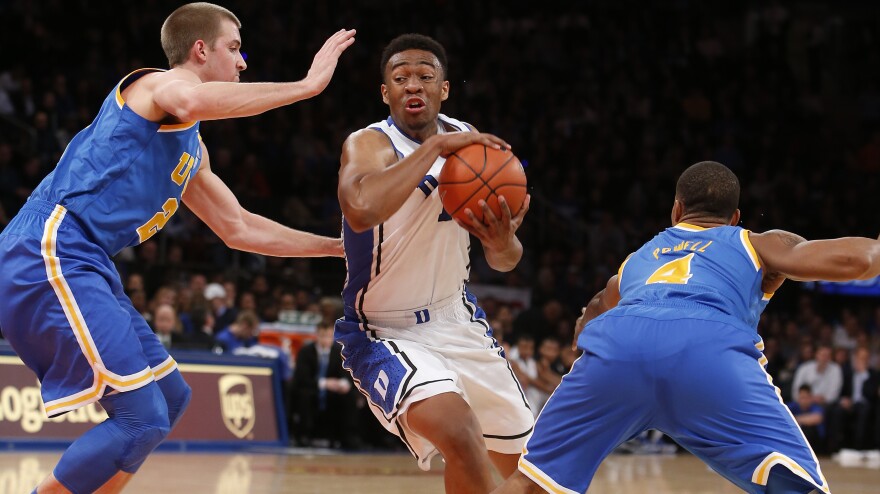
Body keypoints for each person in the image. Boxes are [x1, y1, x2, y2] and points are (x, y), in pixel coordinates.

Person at [0, 3, 355, 493]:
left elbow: (239, 228)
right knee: (140, 417)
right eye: (235, 49)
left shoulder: (191, 147)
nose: (242, 62)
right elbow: (187, 101)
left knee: (169, 398)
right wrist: (306, 88)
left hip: (88, 260)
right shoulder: (153, 86)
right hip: (51, 245)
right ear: (200, 49)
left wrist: (337, 248)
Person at [490, 161, 880, 494]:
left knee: (532, 482)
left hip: (618, 345)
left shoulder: (638, 258)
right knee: (794, 483)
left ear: (676, 211)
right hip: (707, 350)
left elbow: (594, 308)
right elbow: (857, 262)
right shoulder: (754, 241)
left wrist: (582, 337)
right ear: (735, 218)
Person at [335, 33, 534, 493]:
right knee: (460, 433)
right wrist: (433, 150)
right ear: (385, 93)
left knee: (537, 471)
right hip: (383, 330)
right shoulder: (368, 145)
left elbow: (505, 260)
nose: (413, 86)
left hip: (457, 321)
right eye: (400, 78)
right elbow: (360, 209)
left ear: (444, 89)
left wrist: (503, 241)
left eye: (425, 77)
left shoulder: (471, 145)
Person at [291, 320, 358, 449]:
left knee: (349, 396)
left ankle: (348, 438)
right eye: (322, 335)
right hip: (312, 389)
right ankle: (304, 436)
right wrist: (324, 383)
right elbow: (302, 378)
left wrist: (343, 383)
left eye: (329, 336)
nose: (326, 339)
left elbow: (346, 374)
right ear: (316, 335)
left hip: (332, 391)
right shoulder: (305, 351)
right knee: (305, 395)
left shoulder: (339, 351)